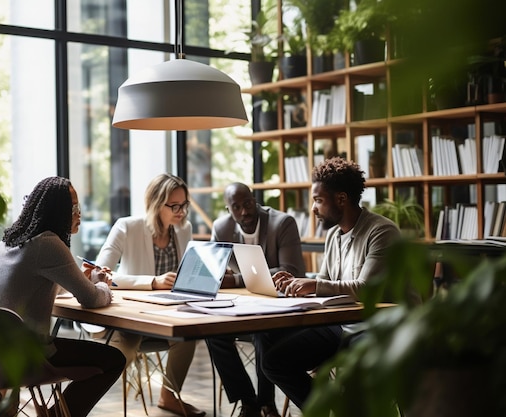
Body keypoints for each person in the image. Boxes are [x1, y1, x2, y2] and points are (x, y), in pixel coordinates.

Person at [259, 157, 401, 411]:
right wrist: (296, 283)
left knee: (359, 365)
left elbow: (365, 290)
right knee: (271, 355)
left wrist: (313, 286)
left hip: (377, 326)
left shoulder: (382, 231)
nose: (313, 208)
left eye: (318, 200)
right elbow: (325, 282)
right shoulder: (334, 234)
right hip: (341, 324)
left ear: (342, 199)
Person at [0, 176, 126, 417]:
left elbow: (38, 283)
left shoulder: (10, 240)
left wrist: (81, 279)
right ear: (60, 211)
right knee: (113, 360)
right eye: (75, 208)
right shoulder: (48, 244)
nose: (80, 214)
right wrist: (101, 284)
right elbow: (93, 300)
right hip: (26, 357)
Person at [95, 173, 204, 417]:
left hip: (169, 314)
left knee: (191, 332)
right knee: (122, 355)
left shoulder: (183, 229)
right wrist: (151, 282)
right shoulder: (127, 226)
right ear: (156, 204)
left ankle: (169, 395)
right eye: (174, 206)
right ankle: (78, 400)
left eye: (184, 205)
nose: (181, 211)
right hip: (134, 317)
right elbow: (99, 274)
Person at [206, 182, 306, 417]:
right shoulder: (221, 228)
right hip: (238, 305)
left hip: (278, 305)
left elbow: (290, 270)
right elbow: (214, 273)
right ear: (228, 209)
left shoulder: (282, 223)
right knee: (212, 333)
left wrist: (237, 280)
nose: (244, 211)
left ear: (255, 200)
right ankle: (247, 401)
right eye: (236, 207)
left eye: (248, 203)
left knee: (263, 331)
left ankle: (267, 403)